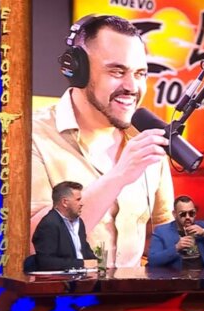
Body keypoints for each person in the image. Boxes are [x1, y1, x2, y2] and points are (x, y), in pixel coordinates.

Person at [31, 15, 174, 268]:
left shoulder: (145, 140)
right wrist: (118, 177)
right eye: (117, 71)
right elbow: (38, 245)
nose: (132, 87)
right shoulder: (32, 136)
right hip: (61, 294)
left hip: (128, 294)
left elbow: (162, 233)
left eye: (140, 74)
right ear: (78, 70)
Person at [31, 181, 97, 271]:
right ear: (65, 202)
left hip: (84, 276)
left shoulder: (79, 223)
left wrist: (98, 263)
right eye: (78, 200)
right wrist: (82, 264)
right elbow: (46, 262)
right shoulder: (49, 224)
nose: (82, 204)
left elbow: (86, 253)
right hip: (61, 278)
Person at [148, 196, 204, 270]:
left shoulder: (202, 226)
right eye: (183, 214)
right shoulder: (162, 231)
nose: (188, 217)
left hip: (201, 275)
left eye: (191, 213)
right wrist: (176, 248)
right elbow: (153, 261)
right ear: (174, 214)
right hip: (176, 276)